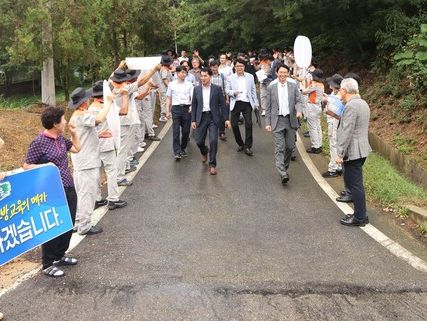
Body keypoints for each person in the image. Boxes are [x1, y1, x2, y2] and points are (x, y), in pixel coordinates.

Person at [23, 107, 81, 277]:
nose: (65, 121)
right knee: (53, 226)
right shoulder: (39, 142)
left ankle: (59, 255)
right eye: (63, 119)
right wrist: (45, 166)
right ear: (55, 123)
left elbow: (77, 149)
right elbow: (26, 165)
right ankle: (47, 263)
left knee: (68, 224)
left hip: (68, 186)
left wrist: (74, 133)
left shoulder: (61, 140)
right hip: (52, 191)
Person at [69, 87, 111, 236]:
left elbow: (84, 135)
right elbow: (99, 119)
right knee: (88, 193)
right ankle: (85, 225)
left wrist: (99, 134)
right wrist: (108, 104)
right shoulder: (81, 115)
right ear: (83, 102)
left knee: (82, 193)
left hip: (82, 160)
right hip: (87, 161)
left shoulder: (76, 116)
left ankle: (79, 222)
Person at [336, 78, 371, 226]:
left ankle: (360, 217)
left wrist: (339, 153)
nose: (339, 92)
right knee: (356, 183)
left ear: (345, 90)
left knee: (355, 184)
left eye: (340, 90)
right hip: (362, 150)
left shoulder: (351, 106)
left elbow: (347, 131)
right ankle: (361, 214)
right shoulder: (363, 103)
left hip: (353, 151)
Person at [88, 81, 128, 210]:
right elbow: (123, 111)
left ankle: (96, 198)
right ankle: (113, 199)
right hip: (106, 143)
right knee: (111, 171)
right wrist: (124, 96)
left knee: (96, 172)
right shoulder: (106, 107)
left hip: (94, 144)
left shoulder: (90, 108)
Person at [265, 64, 304, 185]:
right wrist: (268, 123)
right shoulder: (271, 87)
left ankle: (284, 167)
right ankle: (282, 172)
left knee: (290, 146)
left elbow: (299, 101)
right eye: (280, 72)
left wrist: (299, 110)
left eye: (285, 72)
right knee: (279, 148)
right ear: (277, 73)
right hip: (277, 121)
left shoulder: (293, 85)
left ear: (288, 73)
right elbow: (268, 106)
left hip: (290, 120)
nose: (283, 75)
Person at [191, 68, 229, 175]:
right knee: (198, 141)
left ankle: (212, 164)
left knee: (213, 141)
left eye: (205, 76)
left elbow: (222, 105)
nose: (203, 78)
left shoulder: (217, 89)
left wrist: (226, 119)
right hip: (201, 117)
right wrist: (193, 119)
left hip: (213, 117)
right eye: (201, 76)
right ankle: (204, 151)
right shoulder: (197, 89)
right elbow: (194, 105)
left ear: (210, 77)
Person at [226, 58, 259, 156]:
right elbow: (227, 90)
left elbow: (253, 90)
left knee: (249, 124)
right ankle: (240, 143)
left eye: (241, 66)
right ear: (234, 67)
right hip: (236, 102)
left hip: (247, 102)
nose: (239, 68)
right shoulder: (230, 78)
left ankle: (248, 146)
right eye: (237, 66)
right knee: (234, 125)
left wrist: (256, 103)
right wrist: (233, 92)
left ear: (244, 67)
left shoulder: (250, 77)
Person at [165, 66, 194, 160]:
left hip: (186, 109)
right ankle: (177, 151)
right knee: (176, 131)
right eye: (181, 72)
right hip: (176, 109)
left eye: (185, 73)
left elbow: (193, 97)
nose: (183, 74)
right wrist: (167, 110)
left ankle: (182, 148)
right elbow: (168, 97)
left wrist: (191, 106)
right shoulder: (171, 84)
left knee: (186, 131)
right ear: (177, 73)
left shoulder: (189, 84)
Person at [322, 74, 345, 178]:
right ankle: (339, 166)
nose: (329, 84)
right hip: (333, 122)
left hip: (335, 123)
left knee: (334, 144)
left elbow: (336, 113)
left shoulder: (339, 97)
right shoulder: (334, 94)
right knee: (336, 144)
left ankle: (333, 168)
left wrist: (327, 102)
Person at [302, 68, 324, 153]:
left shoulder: (314, 84)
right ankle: (319, 144)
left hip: (312, 106)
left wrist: (305, 83)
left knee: (312, 127)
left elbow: (304, 91)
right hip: (318, 106)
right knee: (318, 126)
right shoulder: (321, 84)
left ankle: (315, 146)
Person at [209, 59, 228, 141]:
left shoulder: (222, 76)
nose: (214, 69)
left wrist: (227, 98)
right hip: (211, 98)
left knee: (222, 116)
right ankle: (213, 130)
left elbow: (225, 88)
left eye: (215, 67)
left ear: (218, 67)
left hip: (221, 98)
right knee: (212, 115)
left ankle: (222, 132)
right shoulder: (209, 76)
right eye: (212, 67)